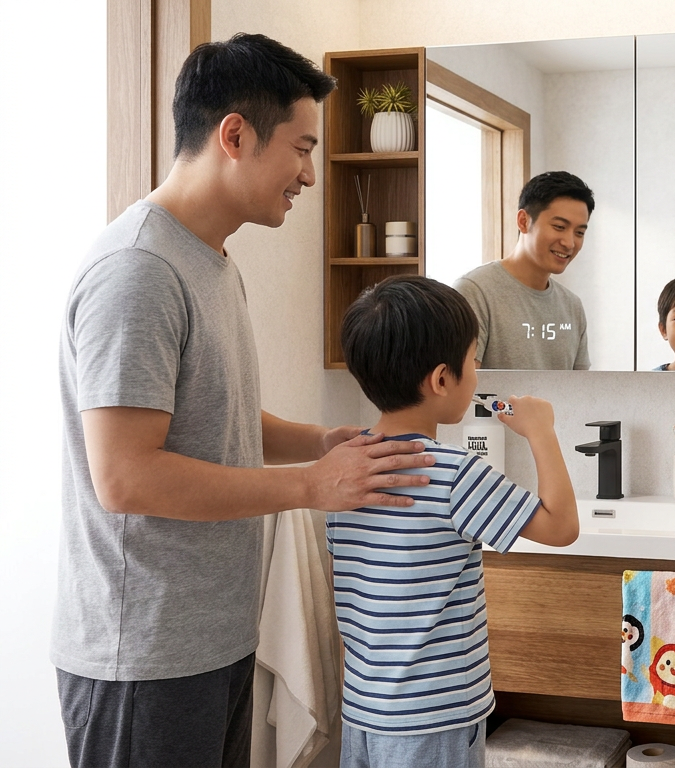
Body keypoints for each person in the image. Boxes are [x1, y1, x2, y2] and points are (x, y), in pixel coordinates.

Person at [54, 34, 439, 768]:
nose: (309, 175)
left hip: (212, 638)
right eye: (300, 148)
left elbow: (217, 421)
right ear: (235, 134)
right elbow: (127, 477)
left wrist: (322, 443)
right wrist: (308, 487)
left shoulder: (211, 261)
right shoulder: (139, 270)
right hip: (143, 654)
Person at [333, 275, 577, 767]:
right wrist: (541, 431)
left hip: (365, 710)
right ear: (442, 379)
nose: (478, 370)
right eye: (473, 361)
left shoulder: (343, 466)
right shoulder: (452, 472)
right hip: (437, 717)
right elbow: (560, 527)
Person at [456, 171, 595, 370]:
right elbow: (462, 389)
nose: (569, 243)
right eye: (559, 226)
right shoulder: (474, 292)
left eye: (579, 232)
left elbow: (581, 391)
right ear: (523, 221)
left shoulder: (572, 306)